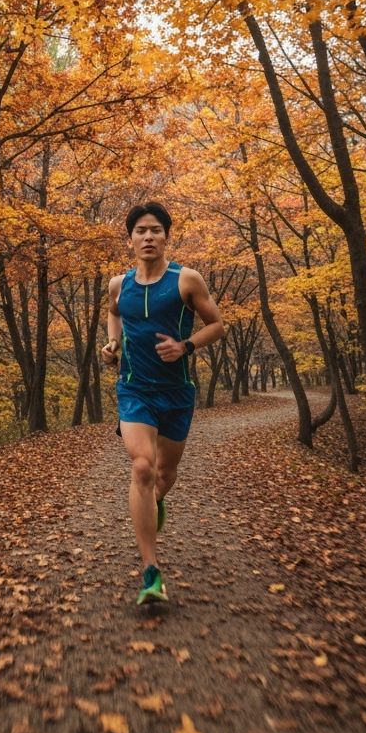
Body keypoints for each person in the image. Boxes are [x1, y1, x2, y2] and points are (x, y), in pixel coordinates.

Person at [100, 202, 225, 605]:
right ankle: (151, 572)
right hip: (134, 388)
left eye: (155, 230)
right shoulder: (119, 284)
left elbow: (218, 325)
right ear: (131, 238)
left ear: (166, 236)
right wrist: (113, 342)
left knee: (164, 475)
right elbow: (113, 313)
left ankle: (153, 505)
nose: (148, 236)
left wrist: (185, 346)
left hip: (177, 392)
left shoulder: (186, 279)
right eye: (140, 230)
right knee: (142, 467)